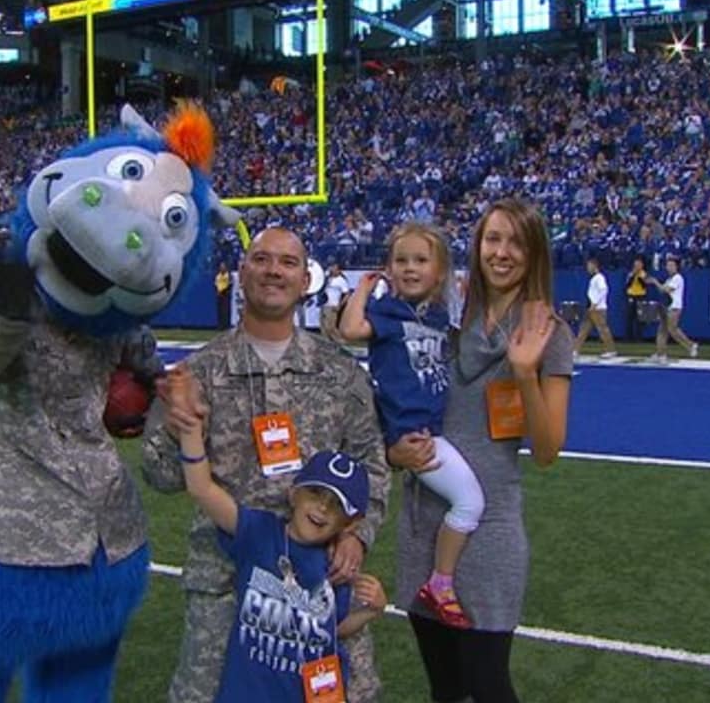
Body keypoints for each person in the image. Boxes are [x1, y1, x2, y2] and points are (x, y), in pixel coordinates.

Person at [142, 227, 391, 703]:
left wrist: (359, 534)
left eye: (288, 262)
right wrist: (179, 425)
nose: (274, 270)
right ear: (242, 274)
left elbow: (371, 464)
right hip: (227, 584)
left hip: (320, 583)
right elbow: (160, 476)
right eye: (261, 259)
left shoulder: (339, 372)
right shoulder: (201, 371)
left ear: (305, 282)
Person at [386, 198, 573, 703]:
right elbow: (399, 400)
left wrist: (526, 372)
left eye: (516, 242)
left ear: (534, 254)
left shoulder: (548, 332)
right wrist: (393, 453)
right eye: (493, 239)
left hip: (489, 528)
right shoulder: (443, 320)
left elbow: (548, 449)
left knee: (488, 686)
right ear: (477, 246)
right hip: (425, 519)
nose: (502, 252)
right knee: (445, 688)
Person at [166, 363, 387, 703]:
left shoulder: (336, 567)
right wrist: (191, 428)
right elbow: (201, 489)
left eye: (336, 506)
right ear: (294, 493)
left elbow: (332, 629)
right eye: (316, 494)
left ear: (350, 523)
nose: (322, 509)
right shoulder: (259, 533)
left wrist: (368, 612)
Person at [337, 223, 481, 629]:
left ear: (439, 272)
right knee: (471, 503)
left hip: (432, 427)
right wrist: (365, 288)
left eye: (421, 260)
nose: (409, 268)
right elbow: (350, 331)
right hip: (412, 434)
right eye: (401, 261)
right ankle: (441, 582)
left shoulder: (435, 315)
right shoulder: (387, 312)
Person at [646, 257, 698, 363]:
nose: (669, 268)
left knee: (672, 329)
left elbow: (667, 289)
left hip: (675, 307)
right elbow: (662, 290)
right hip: (667, 306)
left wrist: (655, 282)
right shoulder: (669, 279)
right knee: (662, 330)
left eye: (671, 265)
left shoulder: (678, 278)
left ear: (676, 267)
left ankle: (691, 345)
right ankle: (660, 354)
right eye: (668, 265)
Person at [573, 256, 617, 359]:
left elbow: (604, 290)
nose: (587, 268)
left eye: (589, 265)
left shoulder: (599, 278)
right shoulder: (594, 278)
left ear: (594, 266)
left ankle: (611, 350)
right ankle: (575, 350)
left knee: (602, 329)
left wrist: (595, 303)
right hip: (592, 308)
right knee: (583, 329)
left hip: (598, 308)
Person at [320, 262, 350, 343]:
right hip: (324, 305)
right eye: (332, 268)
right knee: (323, 327)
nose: (333, 270)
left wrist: (340, 305)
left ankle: (341, 341)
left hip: (333, 305)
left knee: (330, 327)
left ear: (339, 270)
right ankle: (326, 344)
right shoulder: (327, 278)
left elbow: (347, 294)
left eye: (335, 269)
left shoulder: (341, 280)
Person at [624, 256, 649, 341]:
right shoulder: (630, 273)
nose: (637, 266)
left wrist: (639, 277)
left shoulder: (643, 274)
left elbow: (644, 285)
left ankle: (639, 337)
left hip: (640, 295)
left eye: (639, 264)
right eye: (636, 264)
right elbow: (627, 285)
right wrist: (633, 275)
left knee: (640, 317)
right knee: (629, 317)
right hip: (631, 295)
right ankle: (628, 337)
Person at [214, 261, 232, 330]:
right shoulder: (218, 276)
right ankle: (220, 325)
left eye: (223, 266)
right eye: (221, 266)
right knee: (220, 311)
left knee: (225, 310)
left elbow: (230, 284)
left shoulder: (228, 275)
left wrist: (223, 291)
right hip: (219, 295)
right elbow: (216, 284)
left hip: (225, 294)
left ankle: (226, 325)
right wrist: (218, 292)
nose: (222, 268)